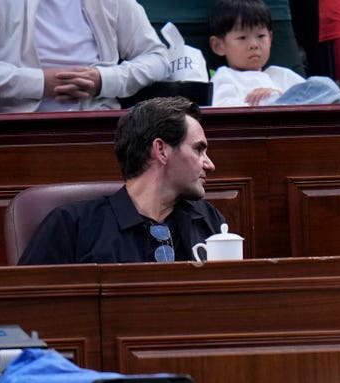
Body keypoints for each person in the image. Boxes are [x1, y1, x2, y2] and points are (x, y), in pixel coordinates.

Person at [18, 96, 225, 265]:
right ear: (161, 150)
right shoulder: (73, 224)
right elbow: (28, 306)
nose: (210, 165)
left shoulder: (208, 220)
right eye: (198, 150)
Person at [0, 0, 169, 113]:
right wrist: (40, 83)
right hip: (17, 129)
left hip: (96, 124)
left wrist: (103, 80)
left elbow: (156, 57)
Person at [208, 0, 340, 107]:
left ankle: (281, 108)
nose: (254, 45)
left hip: (296, 122)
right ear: (219, 46)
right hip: (257, 124)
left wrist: (279, 95)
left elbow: (315, 95)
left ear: (270, 39)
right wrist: (265, 104)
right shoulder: (225, 77)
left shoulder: (281, 74)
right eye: (242, 38)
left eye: (261, 36)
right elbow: (223, 111)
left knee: (325, 84)